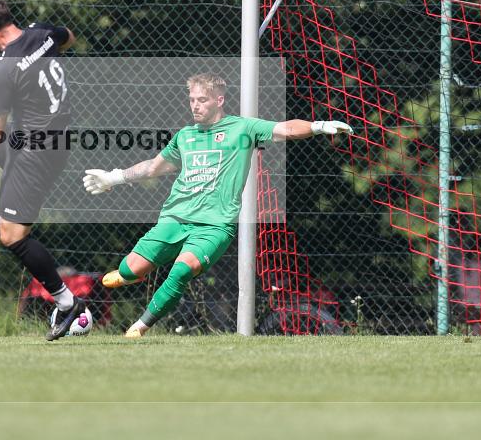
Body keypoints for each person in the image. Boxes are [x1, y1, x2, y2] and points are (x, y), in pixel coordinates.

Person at [82, 73, 353, 338]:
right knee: (131, 270)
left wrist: (319, 126)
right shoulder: (185, 136)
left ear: (219, 100)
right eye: (191, 100)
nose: (195, 105)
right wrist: (113, 177)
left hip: (214, 226)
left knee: (181, 271)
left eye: (202, 100)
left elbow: (285, 128)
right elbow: (153, 167)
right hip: (175, 219)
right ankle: (128, 275)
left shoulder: (243, 129)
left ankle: (139, 327)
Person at [0, 0, 85, 341]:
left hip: (37, 152)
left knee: (12, 236)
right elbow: (68, 35)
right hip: (47, 139)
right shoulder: (40, 32)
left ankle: (67, 301)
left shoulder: (4, 70)